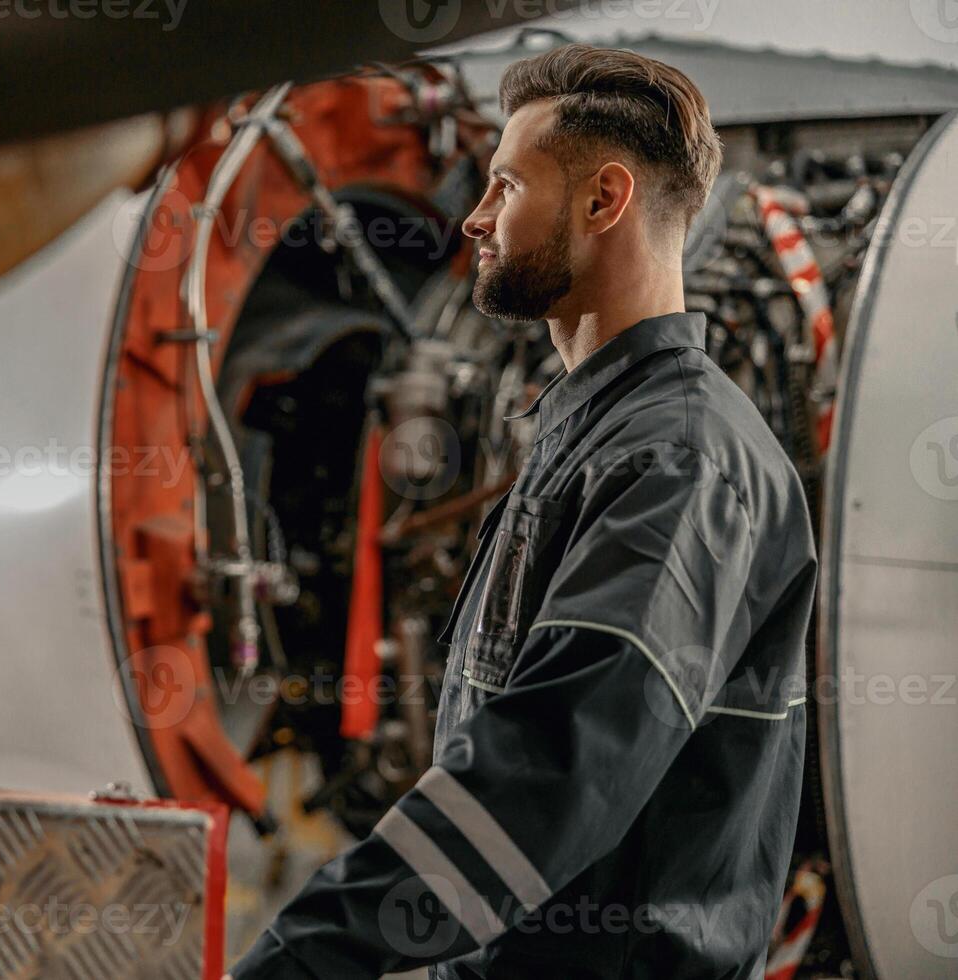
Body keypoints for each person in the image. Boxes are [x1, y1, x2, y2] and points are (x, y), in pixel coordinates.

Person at [227, 43, 816, 980]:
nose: (474, 217)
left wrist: (306, 955)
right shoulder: (592, 434)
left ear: (602, 201)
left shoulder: (681, 459)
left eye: (505, 186)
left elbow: (552, 767)